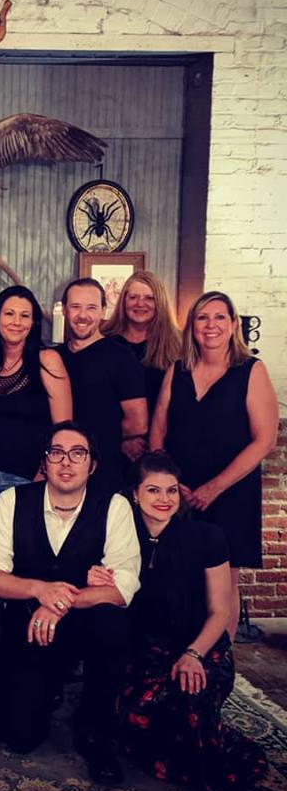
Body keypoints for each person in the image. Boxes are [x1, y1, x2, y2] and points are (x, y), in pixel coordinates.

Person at [0, 421, 140, 784]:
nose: (66, 462)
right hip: (29, 625)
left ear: (92, 465)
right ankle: (40, 687)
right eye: (56, 453)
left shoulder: (114, 506)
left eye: (78, 453)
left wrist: (59, 601)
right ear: (44, 462)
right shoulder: (12, 501)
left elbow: (123, 587)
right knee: (20, 737)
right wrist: (40, 590)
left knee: (112, 622)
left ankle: (96, 729)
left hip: (87, 624)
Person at [114, 452, 267, 791]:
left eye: (171, 490)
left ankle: (211, 769)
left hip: (203, 646)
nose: (164, 499)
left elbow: (219, 611)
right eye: (153, 490)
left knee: (191, 699)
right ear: (134, 494)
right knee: (141, 713)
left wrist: (194, 654)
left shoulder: (207, 536)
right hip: (148, 651)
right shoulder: (120, 538)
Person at [151, 290, 278, 640]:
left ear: (233, 324)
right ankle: (180, 653)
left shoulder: (250, 370)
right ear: (191, 326)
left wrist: (214, 487)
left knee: (223, 581)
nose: (211, 325)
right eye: (202, 318)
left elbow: (265, 440)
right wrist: (169, 485)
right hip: (180, 493)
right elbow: (157, 431)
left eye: (220, 317)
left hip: (231, 492)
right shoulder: (177, 370)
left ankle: (219, 660)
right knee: (178, 574)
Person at [0, 285, 72, 530]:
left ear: (33, 323)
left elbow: (63, 430)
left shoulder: (47, 361)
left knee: (22, 543)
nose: (16, 322)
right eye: (9, 313)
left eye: (25, 315)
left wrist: (44, 473)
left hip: (25, 475)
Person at [59, 278, 147, 492]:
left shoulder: (121, 357)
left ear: (103, 311)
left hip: (104, 470)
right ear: (64, 310)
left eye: (91, 308)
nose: (82, 315)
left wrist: (95, 436)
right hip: (60, 470)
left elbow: (138, 422)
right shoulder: (54, 356)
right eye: (75, 307)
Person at [102, 271, 181, 417]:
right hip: (112, 428)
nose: (140, 303)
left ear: (160, 302)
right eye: (133, 297)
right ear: (123, 301)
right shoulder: (104, 340)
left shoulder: (179, 344)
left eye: (149, 298)